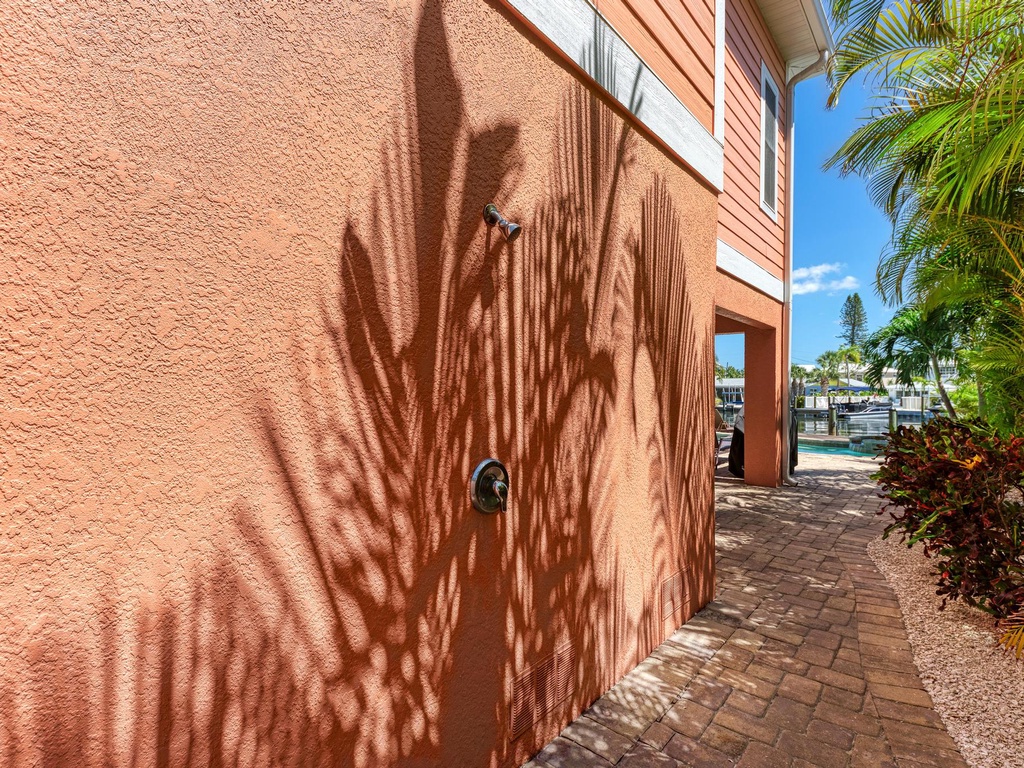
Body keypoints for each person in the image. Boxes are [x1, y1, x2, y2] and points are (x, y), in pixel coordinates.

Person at [728, 404, 744, 478]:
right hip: (741, 426)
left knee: (737, 449)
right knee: (738, 449)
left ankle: (738, 469)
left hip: (740, 425)